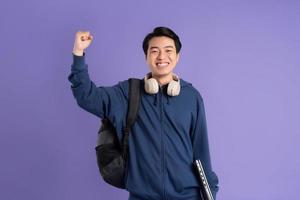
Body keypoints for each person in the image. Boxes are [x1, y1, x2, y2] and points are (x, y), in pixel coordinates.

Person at [68, 27, 219, 200]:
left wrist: (211, 194)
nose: (162, 57)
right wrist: (78, 53)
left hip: (188, 197)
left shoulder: (192, 97)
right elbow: (86, 97)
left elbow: (201, 151)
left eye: (168, 51)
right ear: (146, 57)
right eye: (154, 51)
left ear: (177, 57)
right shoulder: (128, 94)